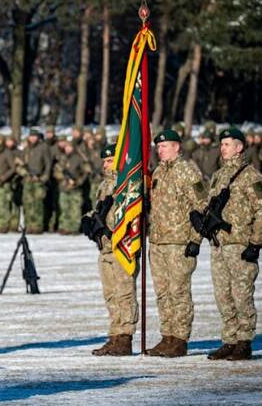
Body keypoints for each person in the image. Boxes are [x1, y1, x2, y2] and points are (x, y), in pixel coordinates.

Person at [194, 127, 261, 361]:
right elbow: (210, 204)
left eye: (227, 144)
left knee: (241, 293)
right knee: (223, 294)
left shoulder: (251, 176)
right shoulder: (218, 176)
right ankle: (229, 339)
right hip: (219, 244)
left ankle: (244, 341)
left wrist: (256, 242)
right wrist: (200, 218)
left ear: (239, 147)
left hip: (241, 244)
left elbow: (261, 209)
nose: (222, 148)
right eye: (221, 144)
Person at [146, 130, 207, 358]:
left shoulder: (188, 171)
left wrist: (195, 239)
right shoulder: (159, 171)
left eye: (164, 146)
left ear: (176, 147)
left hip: (179, 242)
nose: (159, 150)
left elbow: (201, 207)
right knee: (162, 292)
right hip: (159, 241)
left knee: (179, 291)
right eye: (158, 147)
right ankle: (167, 336)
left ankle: (180, 339)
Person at [81, 144, 138, 356]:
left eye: (110, 160)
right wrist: (89, 219)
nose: (106, 164)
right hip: (104, 247)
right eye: (104, 161)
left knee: (125, 293)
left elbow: (130, 212)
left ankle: (125, 336)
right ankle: (115, 335)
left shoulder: (126, 183)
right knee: (111, 294)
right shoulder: (105, 184)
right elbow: (100, 209)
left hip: (121, 244)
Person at [18, 129, 52, 234]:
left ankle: (37, 226)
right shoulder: (26, 149)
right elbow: (20, 164)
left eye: (35, 136)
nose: (32, 138)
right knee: (27, 204)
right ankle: (28, 225)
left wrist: (44, 177)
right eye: (31, 136)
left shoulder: (43, 148)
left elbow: (48, 164)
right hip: (27, 180)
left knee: (37, 204)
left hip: (39, 180)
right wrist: (24, 173)